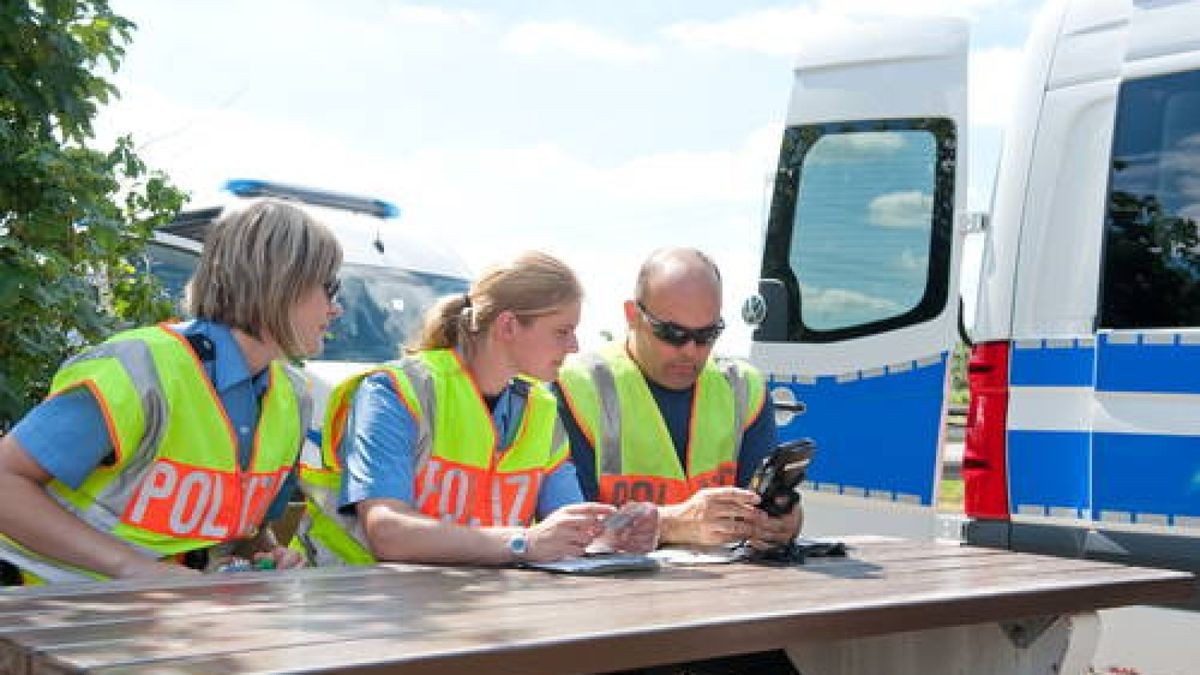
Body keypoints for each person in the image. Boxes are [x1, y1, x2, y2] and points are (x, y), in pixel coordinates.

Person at [0, 199, 342, 585]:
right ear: (282, 283)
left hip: (156, 621)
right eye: (330, 288)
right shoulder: (139, 369)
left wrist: (264, 555)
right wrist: (133, 568)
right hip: (37, 614)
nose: (337, 309)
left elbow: (234, 535)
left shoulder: (293, 398)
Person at [294, 251, 657, 567]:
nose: (575, 346)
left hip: (462, 606)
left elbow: (564, 529)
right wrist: (523, 543)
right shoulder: (395, 392)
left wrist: (609, 537)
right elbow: (388, 532)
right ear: (508, 325)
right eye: (562, 331)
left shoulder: (541, 409)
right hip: (355, 605)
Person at [556, 247, 803, 549]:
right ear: (632, 316)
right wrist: (671, 524)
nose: (690, 350)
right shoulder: (577, 387)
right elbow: (565, 531)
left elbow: (761, 506)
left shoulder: (743, 387)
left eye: (707, 335)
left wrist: (781, 521)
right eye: (672, 333)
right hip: (609, 590)